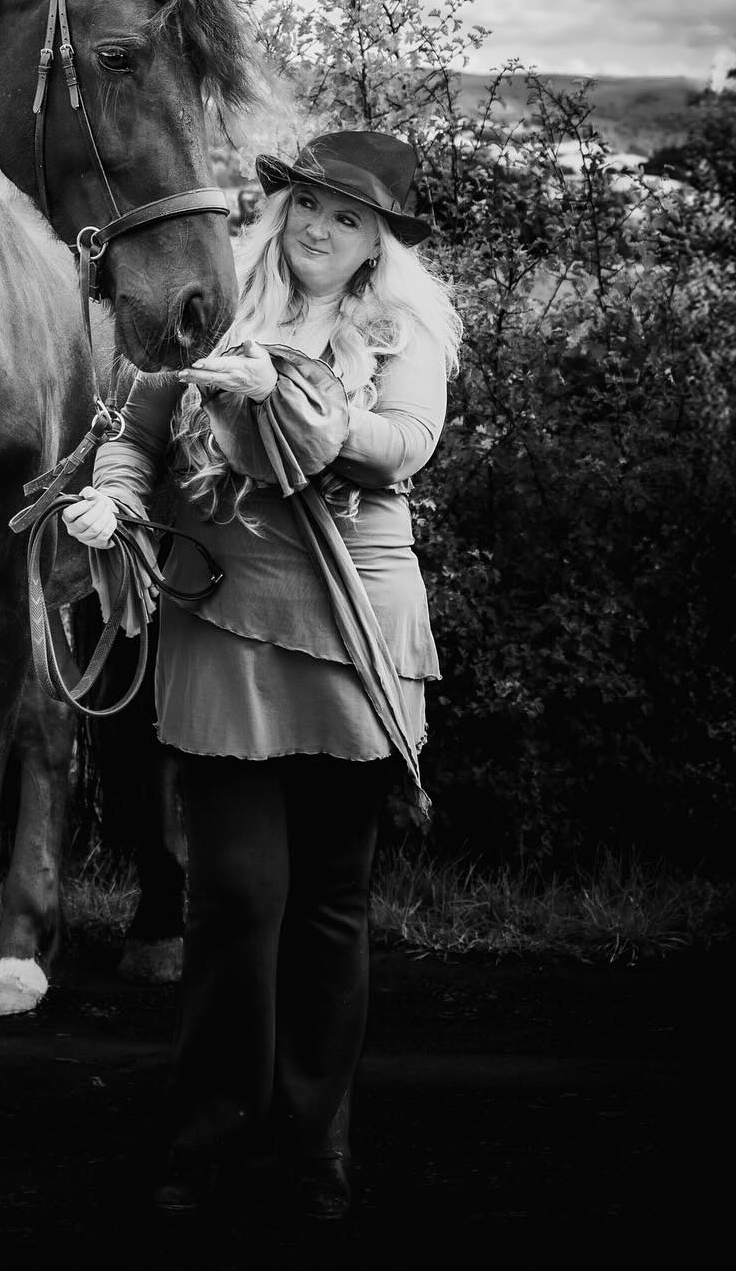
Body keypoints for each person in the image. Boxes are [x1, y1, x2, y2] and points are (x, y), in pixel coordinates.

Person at [64, 129, 462, 1222]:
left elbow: (397, 445)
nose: (321, 229)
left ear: (379, 239)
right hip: (224, 628)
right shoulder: (213, 306)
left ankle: (313, 1146)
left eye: (349, 217)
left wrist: (282, 394)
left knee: (331, 904)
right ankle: (206, 1136)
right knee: (236, 896)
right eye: (307, 207)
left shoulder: (407, 326)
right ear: (277, 209)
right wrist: (115, 498)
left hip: (354, 627)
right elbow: (136, 429)